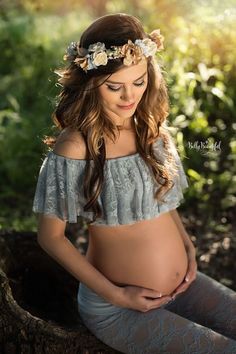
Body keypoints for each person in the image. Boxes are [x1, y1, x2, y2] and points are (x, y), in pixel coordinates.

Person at [32, 13, 236, 354]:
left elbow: (159, 200)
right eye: (115, 86)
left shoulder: (148, 128)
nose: (130, 97)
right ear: (91, 82)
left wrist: (185, 244)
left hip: (184, 284)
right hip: (120, 307)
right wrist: (118, 294)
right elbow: (50, 238)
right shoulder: (77, 146)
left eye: (139, 82)